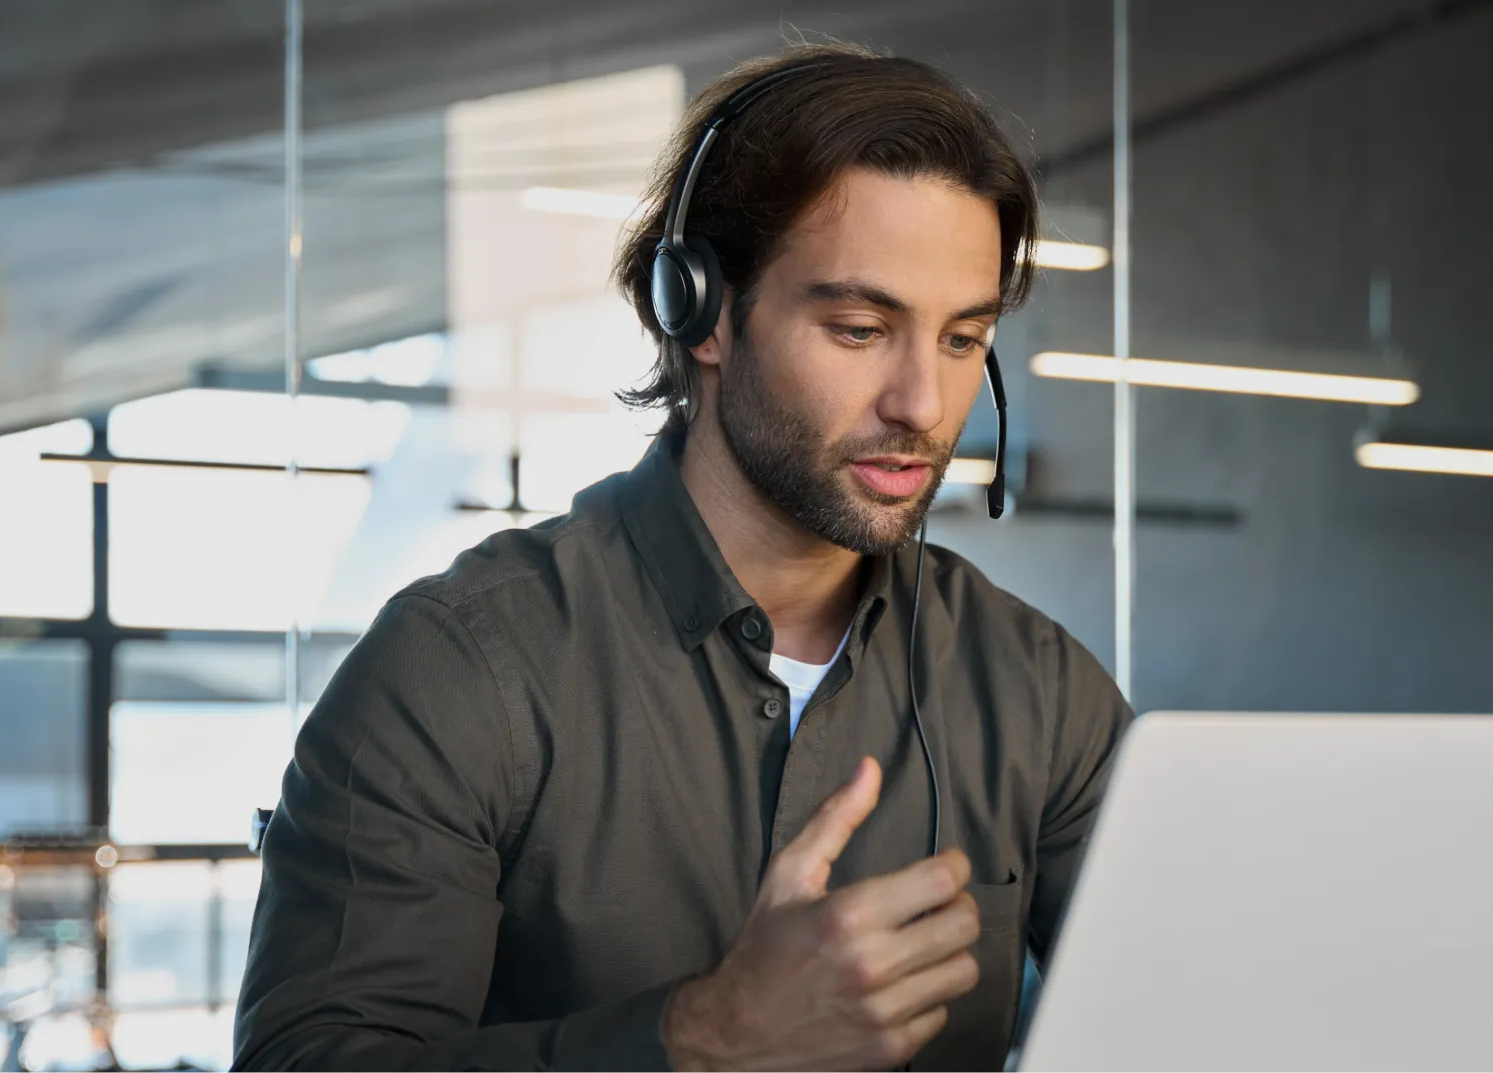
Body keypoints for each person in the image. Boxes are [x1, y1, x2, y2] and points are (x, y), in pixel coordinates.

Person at [231, 41, 1131, 1073]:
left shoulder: (1040, 689)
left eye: (962, 339)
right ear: (701, 311)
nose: (922, 405)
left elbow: (1198, 1009)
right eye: (857, 328)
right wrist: (701, 1038)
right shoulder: (464, 664)